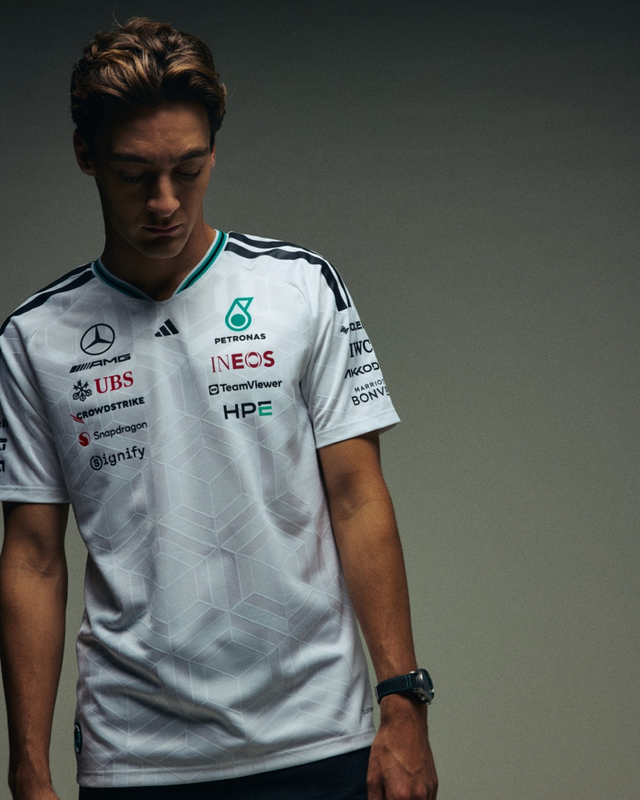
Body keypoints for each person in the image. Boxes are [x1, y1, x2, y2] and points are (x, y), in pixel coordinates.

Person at [0, 17, 438, 800]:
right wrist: (28, 767)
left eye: (189, 168)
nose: (165, 201)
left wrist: (403, 698)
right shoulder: (34, 339)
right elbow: (32, 557)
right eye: (134, 174)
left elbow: (357, 495)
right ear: (86, 156)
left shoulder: (300, 288)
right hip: (135, 756)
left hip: (317, 738)